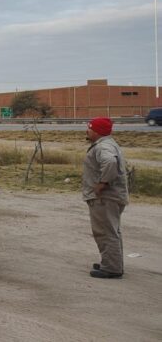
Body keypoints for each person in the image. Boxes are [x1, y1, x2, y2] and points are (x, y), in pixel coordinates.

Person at [83, 117, 129, 279]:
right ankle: (111, 262)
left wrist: (102, 183)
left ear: (97, 131)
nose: (87, 131)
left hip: (105, 198)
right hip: (113, 197)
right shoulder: (108, 144)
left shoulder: (103, 147)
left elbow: (109, 162)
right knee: (112, 230)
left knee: (105, 232)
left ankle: (111, 268)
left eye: (89, 128)